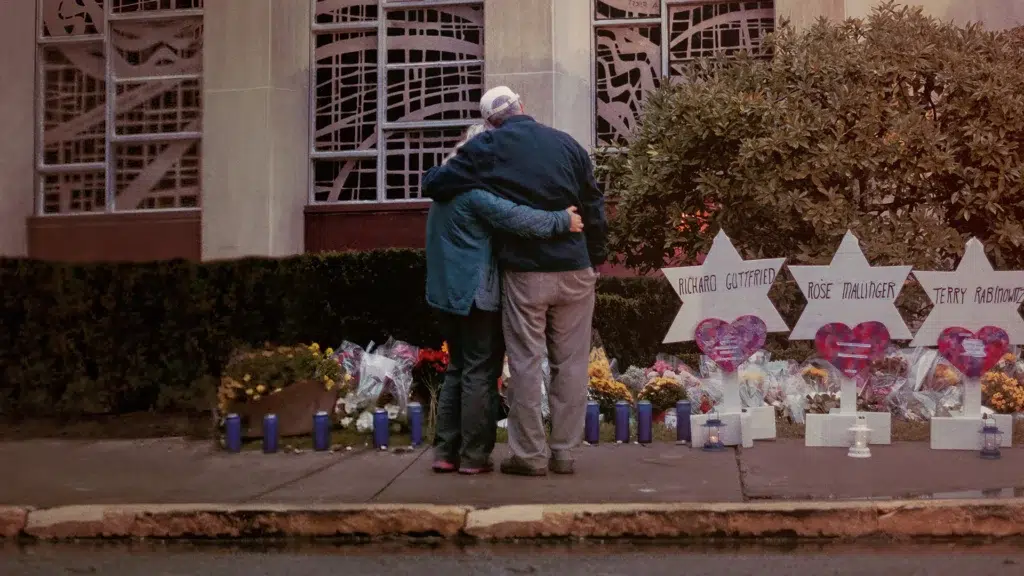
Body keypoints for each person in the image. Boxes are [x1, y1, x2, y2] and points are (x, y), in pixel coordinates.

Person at [422, 86, 608, 477]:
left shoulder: (487, 147)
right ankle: (564, 454)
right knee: (571, 365)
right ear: (524, 106)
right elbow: (593, 203)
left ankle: (529, 456)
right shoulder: (567, 144)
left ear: (490, 121)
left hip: (527, 273)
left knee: (525, 363)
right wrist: (595, 256)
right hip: (576, 268)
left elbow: (436, 184)